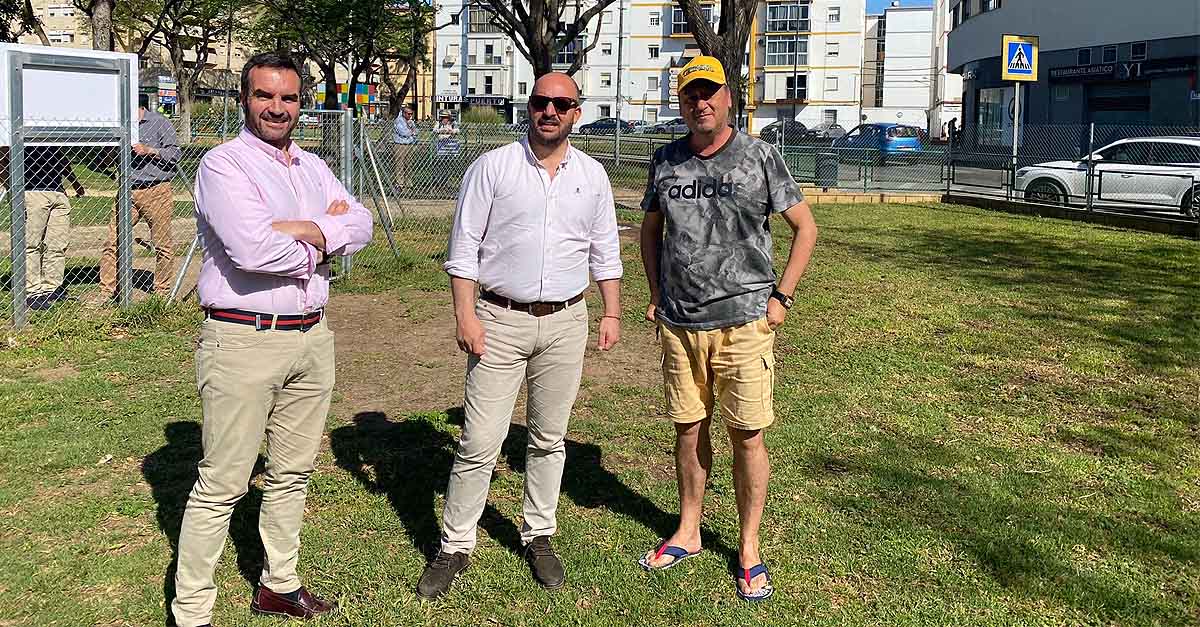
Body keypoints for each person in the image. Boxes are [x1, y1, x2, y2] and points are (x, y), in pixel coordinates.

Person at [170, 52, 373, 627]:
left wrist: (306, 229)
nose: (276, 108)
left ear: (301, 103)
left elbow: (362, 224)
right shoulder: (224, 165)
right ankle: (192, 612)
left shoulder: (311, 167)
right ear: (244, 99)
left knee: (293, 472)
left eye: (287, 97)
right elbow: (251, 251)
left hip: (312, 337)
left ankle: (278, 584)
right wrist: (325, 236)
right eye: (264, 95)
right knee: (223, 484)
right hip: (243, 340)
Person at [418, 72, 623, 599]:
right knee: (479, 441)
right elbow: (463, 248)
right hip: (499, 320)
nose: (549, 111)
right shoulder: (494, 167)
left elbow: (605, 249)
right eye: (541, 101)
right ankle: (455, 544)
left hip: (566, 321)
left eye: (562, 103)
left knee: (548, 438)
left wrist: (611, 312)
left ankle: (539, 535)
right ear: (527, 107)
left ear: (577, 112)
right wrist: (465, 315)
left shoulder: (593, 175)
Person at [637, 56, 818, 602]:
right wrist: (654, 291)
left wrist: (781, 298)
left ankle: (748, 546)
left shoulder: (760, 157)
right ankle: (689, 531)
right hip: (680, 323)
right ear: (682, 101)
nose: (701, 103)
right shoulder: (665, 161)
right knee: (688, 429)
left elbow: (805, 228)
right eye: (691, 94)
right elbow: (650, 231)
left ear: (729, 98)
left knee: (748, 434)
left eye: (710, 92)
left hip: (744, 322)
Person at [99, 93, 182, 301]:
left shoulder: (159, 122)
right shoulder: (121, 127)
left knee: (162, 243)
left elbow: (175, 154)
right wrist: (111, 151)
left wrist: (149, 150)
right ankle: (107, 290)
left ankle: (161, 290)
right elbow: (106, 159)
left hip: (156, 190)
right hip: (128, 189)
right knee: (112, 241)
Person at [11, 145, 86, 310]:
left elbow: (61, 158)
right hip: (33, 191)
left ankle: (51, 288)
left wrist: (74, 182)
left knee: (57, 244)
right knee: (31, 244)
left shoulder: (52, 131)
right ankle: (32, 291)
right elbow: (4, 155)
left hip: (58, 192)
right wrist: (11, 186)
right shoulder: (22, 129)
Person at [392, 104, 418, 191]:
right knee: (399, 165)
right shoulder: (399, 121)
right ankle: (399, 184)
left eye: (411, 114)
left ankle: (408, 184)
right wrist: (412, 132)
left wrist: (412, 132)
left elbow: (417, 131)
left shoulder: (410, 121)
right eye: (408, 114)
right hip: (400, 145)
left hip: (409, 145)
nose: (410, 116)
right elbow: (403, 132)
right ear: (403, 113)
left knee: (408, 165)